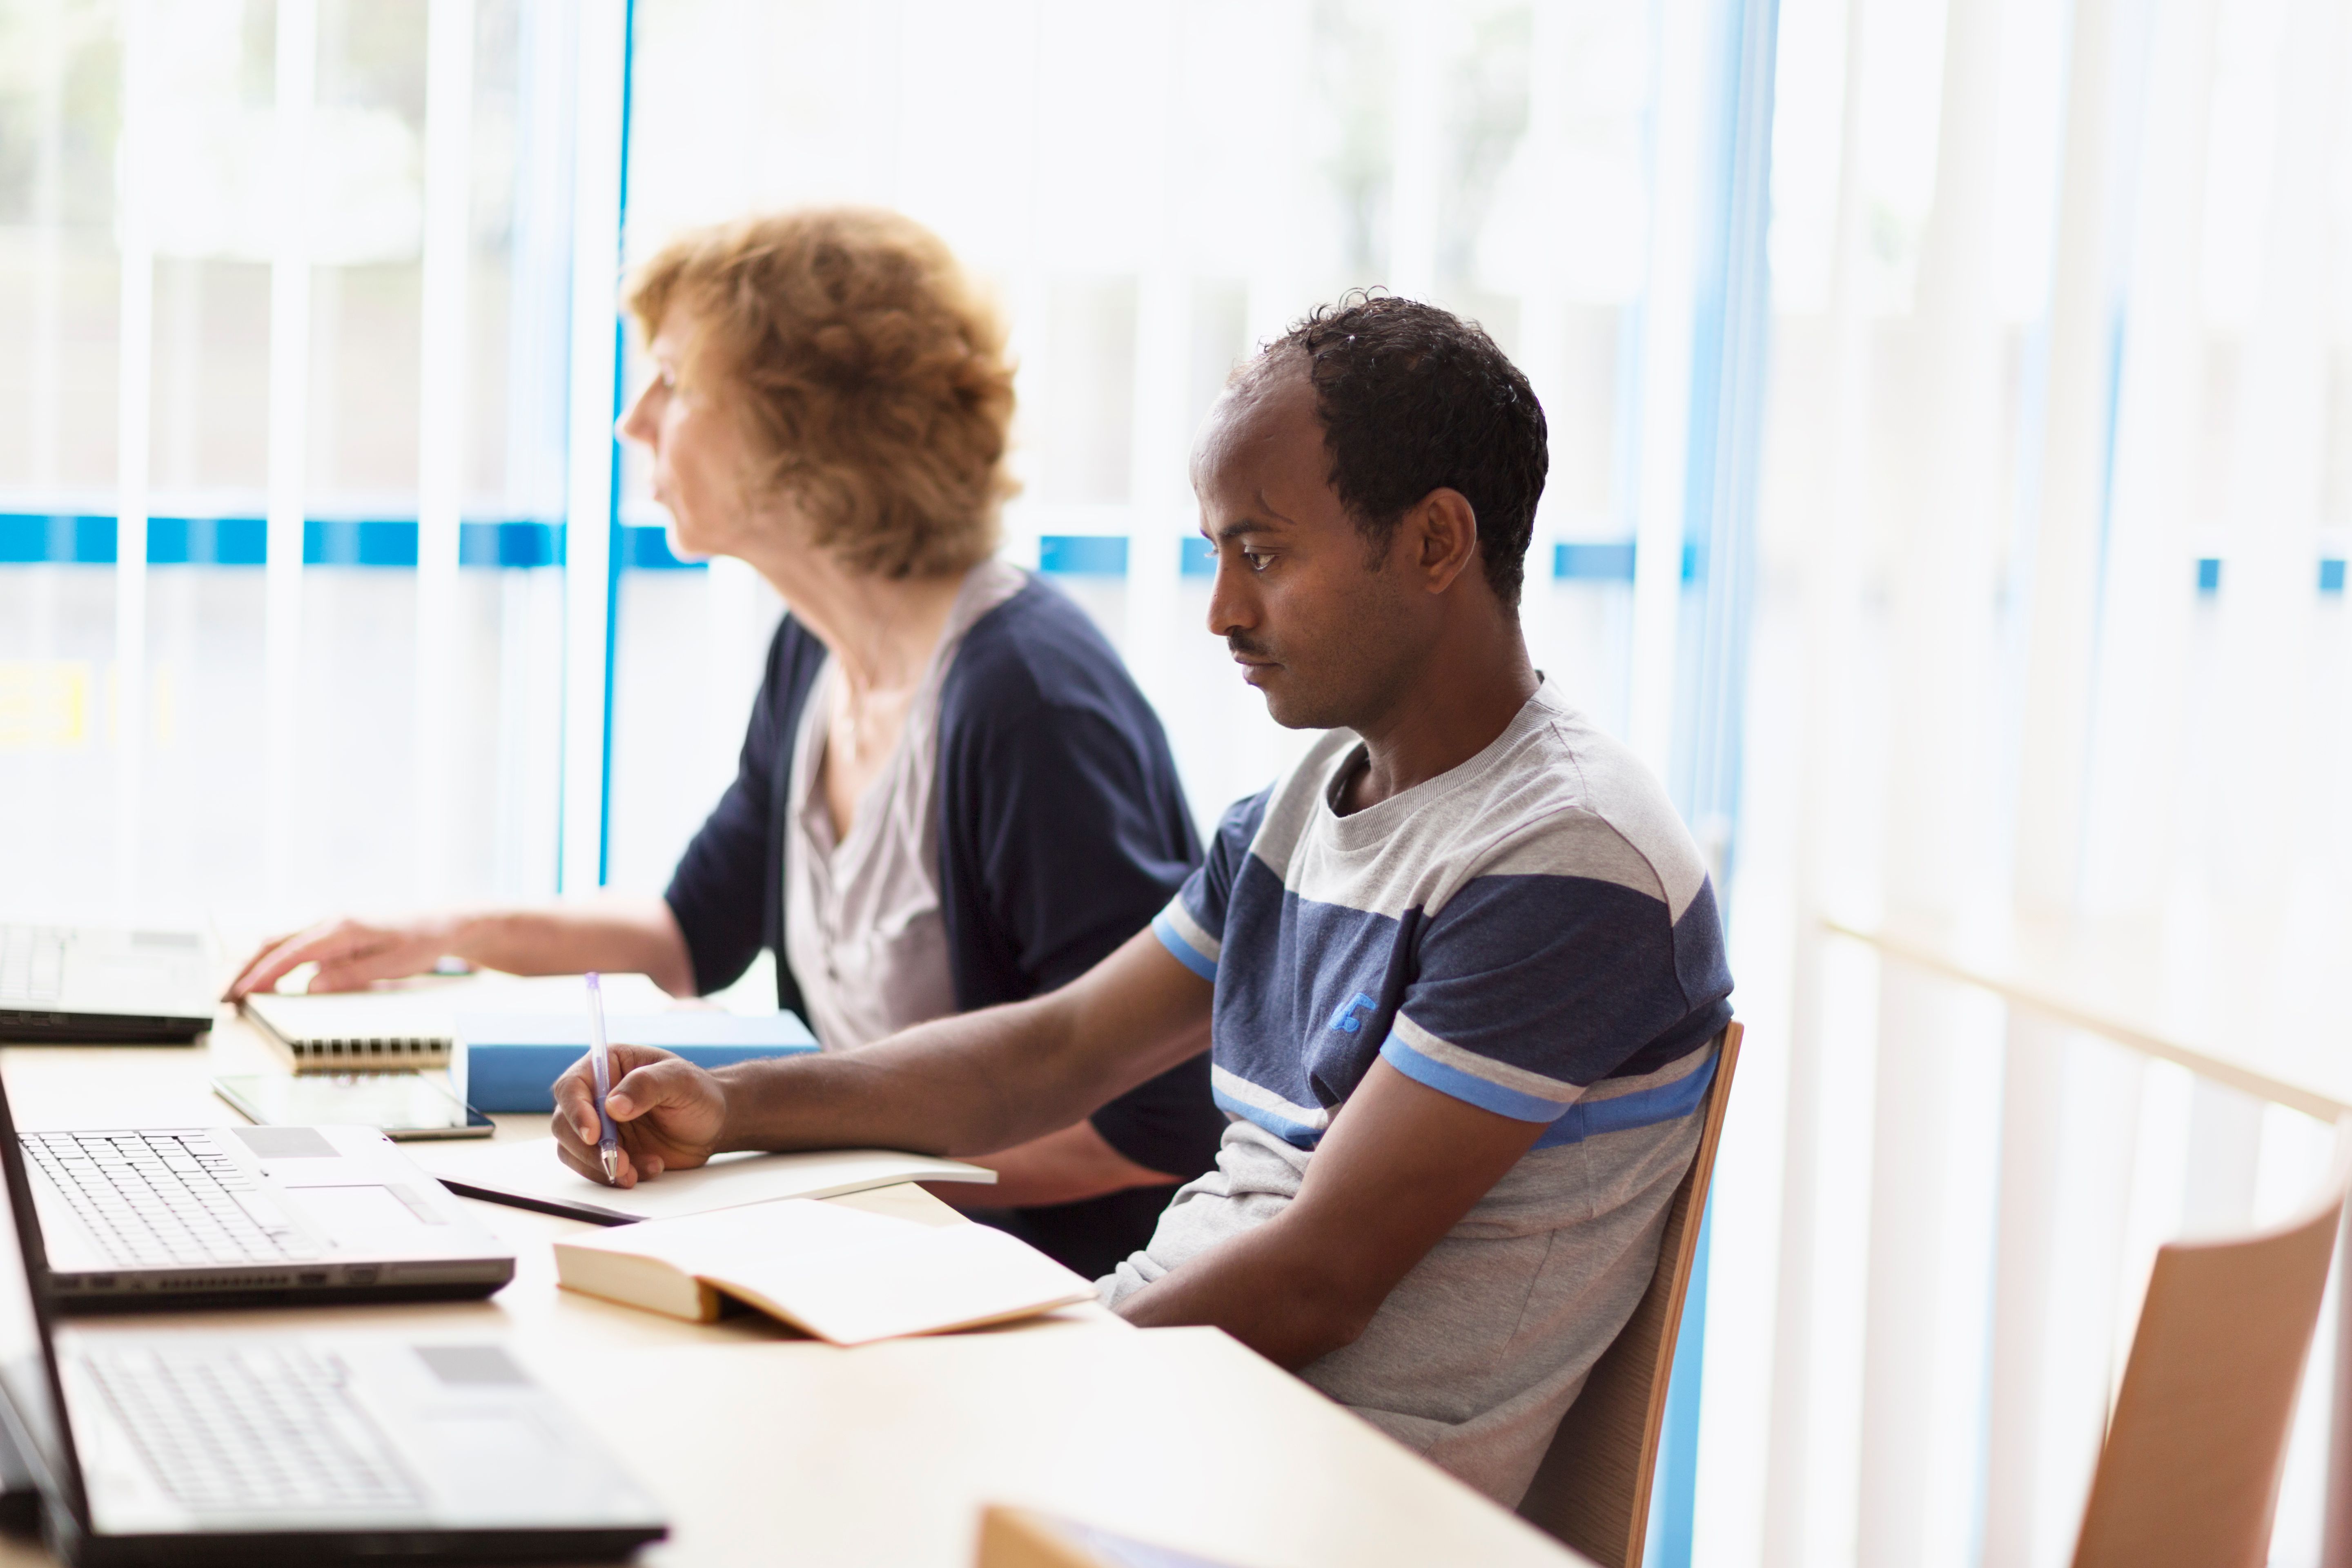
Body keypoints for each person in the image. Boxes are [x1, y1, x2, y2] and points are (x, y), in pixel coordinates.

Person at [548, 292, 1736, 1505]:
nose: (1222, 611)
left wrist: (1005, 1390)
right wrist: (731, 1105)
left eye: (1261, 555)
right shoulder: (1301, 809)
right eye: (1216, 554)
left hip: (1307, 1489)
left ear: (1436, 543)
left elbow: (1319, 1280)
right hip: (1165, 1414)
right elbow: (1055, 1049)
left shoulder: (1568, 855)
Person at [227, 207, 1225, 1279]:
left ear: (811, 427)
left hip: (1021, 1286)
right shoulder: (816, 652)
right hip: (870, 1249)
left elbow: (1151, 1124)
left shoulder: (1028, 701)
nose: (633, 421)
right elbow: (687, 934)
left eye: (674, 381)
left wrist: (788, 1153)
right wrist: (442, 930)